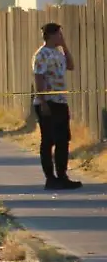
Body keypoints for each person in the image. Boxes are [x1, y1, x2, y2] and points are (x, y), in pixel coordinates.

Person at [33, 22, 81, 190]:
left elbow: (71, 66)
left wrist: (65, 46)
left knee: (63, 140)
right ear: (51, 35)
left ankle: (62, 176)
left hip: (60, 101)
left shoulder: (58, 53)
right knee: (48, 140)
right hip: (48, 102)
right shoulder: (41, 55)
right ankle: (50, 178)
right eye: (59, 34)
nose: (61, 36)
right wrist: (43, 102)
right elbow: (38, 78)